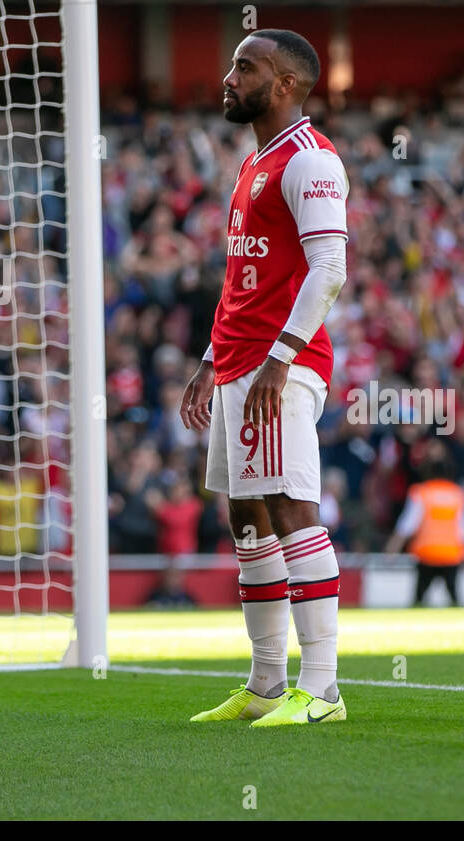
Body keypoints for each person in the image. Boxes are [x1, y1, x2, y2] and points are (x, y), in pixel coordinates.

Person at [179, 29, 350, 725]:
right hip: (240, 361)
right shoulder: (256, 164)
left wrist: (279, 359)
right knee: (246, 517)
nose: (228, 76)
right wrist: (211, 358)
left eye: (244, 66)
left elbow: (329, 269)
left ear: (283, 83)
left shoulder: (310, 161)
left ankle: (325, 688)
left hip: (282, 366)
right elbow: (244, 276)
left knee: (288, 506)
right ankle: (266, 684)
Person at [385, 456, 464, 606]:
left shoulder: (421, 492)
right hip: (451, 554)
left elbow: (406, 526)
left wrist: (391, 550)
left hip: (427, 553)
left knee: (419, 599)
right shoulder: (458, 494)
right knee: (454, 598)